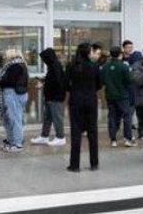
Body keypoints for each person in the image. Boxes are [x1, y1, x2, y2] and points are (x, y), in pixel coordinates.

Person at [65, 42, 100, 172]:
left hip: (75, 101)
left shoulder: (71, 65)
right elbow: (99, 84)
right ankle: (94, 163)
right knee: (92, 132)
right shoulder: (94, 66)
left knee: (76, 133)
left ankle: (74, 165)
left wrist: (74, 90)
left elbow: (65, 83)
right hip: (91, 100)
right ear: (88, 52)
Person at [0, 48, 29, 152]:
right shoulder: (21, 64)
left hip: (13, 94)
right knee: (12, 119)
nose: (4, 57)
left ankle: (17, 144)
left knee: (14, 119)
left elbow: (9, 81)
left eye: (6, 54)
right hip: (16, 94)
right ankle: (12, 141)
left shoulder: (15, 66)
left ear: (11, 55)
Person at [100, 45, 134, 147]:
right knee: (127, 116)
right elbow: (129, 81)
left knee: (112, 116)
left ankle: (113, 139)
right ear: (120, 54)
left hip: (110, 95)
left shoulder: (105, 67)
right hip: (123, 95)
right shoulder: (124, 66)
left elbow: (102, 81)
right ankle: (128, 138)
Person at [32, 47, 66, 146]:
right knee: (48, 117)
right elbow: (51, 79)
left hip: (55, 97)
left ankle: (60, 137)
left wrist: (43, 84)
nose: (43, 61)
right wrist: (43, 80)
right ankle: (44, 136)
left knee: (57, 117)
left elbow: (57, 82)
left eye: (44, 59)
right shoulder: (52, 66)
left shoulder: (56, 66)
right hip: (50, 97)